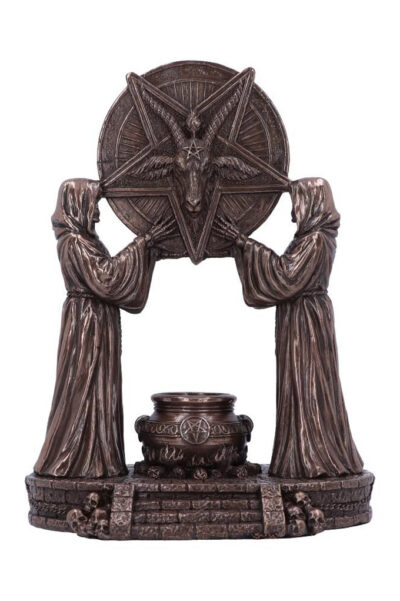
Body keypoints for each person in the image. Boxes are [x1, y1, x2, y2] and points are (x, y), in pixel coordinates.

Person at [214, 177, 363, 478]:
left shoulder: (315, 240)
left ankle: (315, 457)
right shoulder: (311, 238)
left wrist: (243, 242)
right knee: (299, 382)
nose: (293, 215)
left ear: (311, 204)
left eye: (297, 206)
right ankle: (302, 453)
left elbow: (285, 276)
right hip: (300, 314)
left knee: (308, 383)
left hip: (306, 321)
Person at [34, 178, 174, 478]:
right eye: (93, 206)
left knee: (99, 385)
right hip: (87, 324)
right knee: (84, 383)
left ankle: (97, 455)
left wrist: (148, 251)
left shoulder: (86, 240)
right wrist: (144, 242)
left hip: (98, 318)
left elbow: (112, 276)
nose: (97, 214)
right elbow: (107, 277)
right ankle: (76, 459)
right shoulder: (74, 242)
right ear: (78, 205)